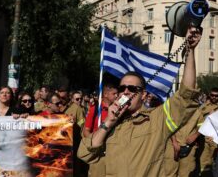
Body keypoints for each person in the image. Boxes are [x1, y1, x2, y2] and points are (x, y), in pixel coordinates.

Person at [77, 26, 202, 176]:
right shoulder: (111, 125)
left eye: (132, 88)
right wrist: (108, 122)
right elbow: (84, 153)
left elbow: (185, 95)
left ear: (143, 95)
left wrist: (190, 50)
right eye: (122, 88)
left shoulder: (157, 119)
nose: (126, 91)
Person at [83, 84, 118, 177]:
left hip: (113, 153)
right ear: (105, 94)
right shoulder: (95, 109)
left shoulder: (117, 110)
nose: (116, 96)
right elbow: (86, 131)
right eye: (114, 93)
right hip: (98, 155)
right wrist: (95, 143)